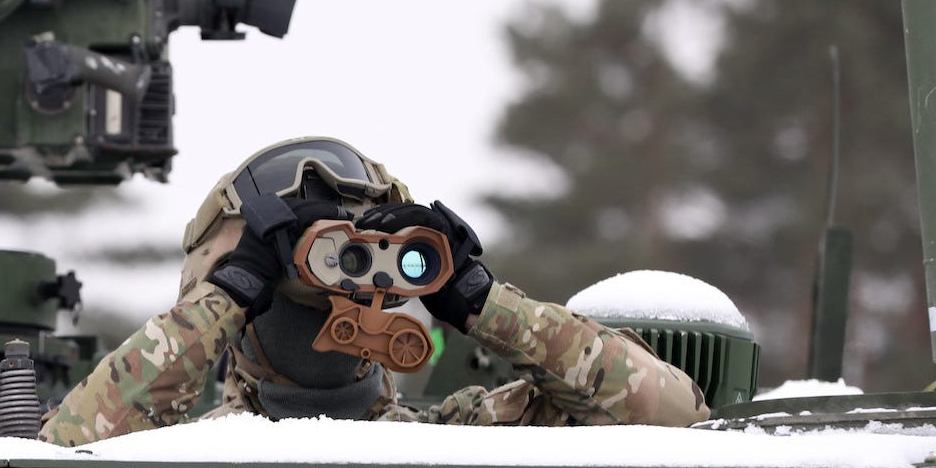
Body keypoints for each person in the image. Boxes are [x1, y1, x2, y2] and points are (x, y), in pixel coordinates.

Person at [37, 137, 710, 446]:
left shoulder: (461, 443)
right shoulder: (176, 451)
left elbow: (672, 417)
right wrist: (233, 292)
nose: (344, 284)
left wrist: (478, 300)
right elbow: (58, 466)